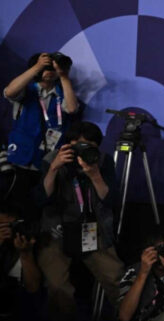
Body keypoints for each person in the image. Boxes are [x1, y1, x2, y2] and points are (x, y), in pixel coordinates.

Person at [35, 121, 123, 321]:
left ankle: (130, 315)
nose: (82, 151)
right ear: (67, 145)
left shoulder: (103, 161)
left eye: (88, 147)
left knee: (116, 278)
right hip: (56, 230)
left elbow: (111, 200)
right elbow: (41, 199)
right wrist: (54, 169)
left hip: (92, 228)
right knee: (57, 286)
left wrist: (95, 175)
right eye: (77, 146)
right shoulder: (52, 159)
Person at [4, 52, 78, 221]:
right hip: (21, 162)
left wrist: (64, 76)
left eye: (52, 67)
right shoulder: (27, 90)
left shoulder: (62, 93)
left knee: (41, 212)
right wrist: (37, 67)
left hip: (48, 163)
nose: (49, 70)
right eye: (46, 67)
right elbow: (9, 92)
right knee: (17, 210)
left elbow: (72, 109)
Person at [0, 204, 42, 321]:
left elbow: (33, 288)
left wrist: (25, 254)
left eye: (13, 224)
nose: (9, 229)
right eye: (3, 225)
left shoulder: (22, 240)